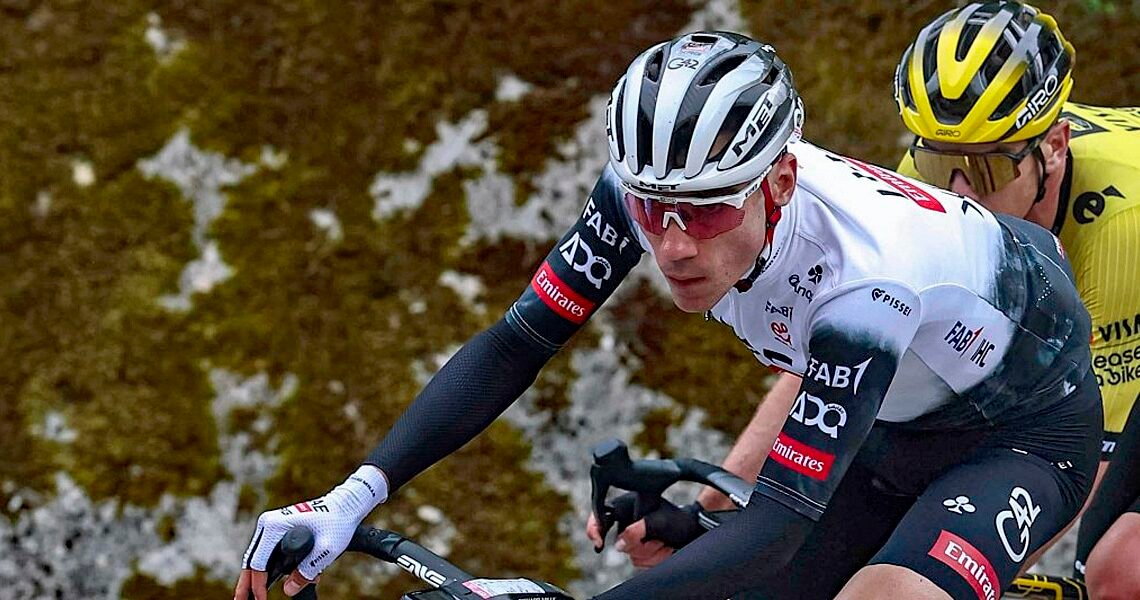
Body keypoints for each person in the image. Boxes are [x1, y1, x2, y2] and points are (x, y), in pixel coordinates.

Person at [235, 30, 1102, 600]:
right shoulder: (650, 186)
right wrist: (348, 499)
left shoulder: (865, 281)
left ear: (780, 182)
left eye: (709, 212)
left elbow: (779, 523)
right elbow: (517, 343)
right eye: (655, 212)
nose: (674, 245)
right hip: (891, 424)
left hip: (1022, 435)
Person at [891, 3, 1140, 597]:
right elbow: (855, 338)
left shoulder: (1122, 227)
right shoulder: (923, 179)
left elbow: (1086, 454)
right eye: (940, 162)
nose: (958, 195)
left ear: (1054, 146)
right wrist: (725, 497)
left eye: (985, 171)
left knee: (1115, 571)